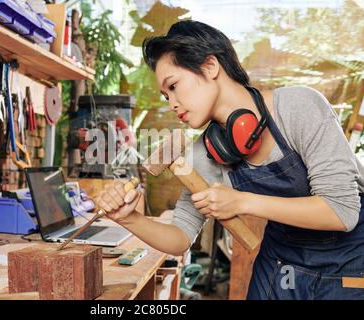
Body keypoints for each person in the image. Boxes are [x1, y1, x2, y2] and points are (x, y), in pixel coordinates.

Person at [96, 20, 364, 299]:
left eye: (174, 86)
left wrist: (242, 202)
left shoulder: (298, 108)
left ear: (210, 66)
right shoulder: (205, 155)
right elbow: (180, 237)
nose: (172, 103)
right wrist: (130, 219)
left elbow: (341, 211)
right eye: (166, 96)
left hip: (349, 260)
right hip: (281, 260)